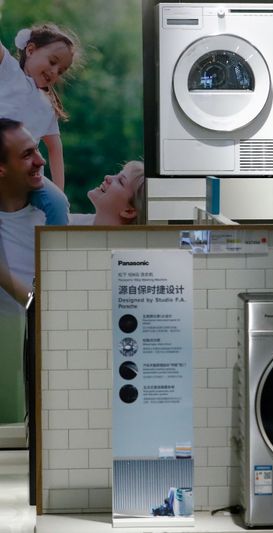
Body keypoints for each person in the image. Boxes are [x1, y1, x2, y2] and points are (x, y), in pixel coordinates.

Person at [0, 23, 80, 225]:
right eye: (52, 62)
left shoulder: (47, 106)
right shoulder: (9, 71)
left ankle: (55, 251)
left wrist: (60, 193)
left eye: (61, 71)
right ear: (31, 50)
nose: (54, 72)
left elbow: (55, 150)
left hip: (26, 178)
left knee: (58, 204)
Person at [0, 119, 47, 424]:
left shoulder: (50, 221)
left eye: (38, 149)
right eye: (27, 154)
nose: (41, 160)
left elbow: (43, 308)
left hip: (26, 379)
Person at [69, 161, 145, 226]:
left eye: (120, 181)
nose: (107, 177)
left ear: (129, 211)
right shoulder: (73, 221)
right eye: (116, 174)